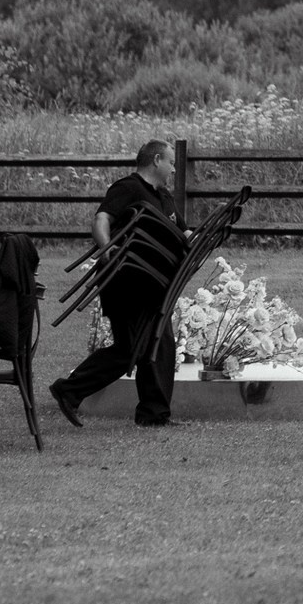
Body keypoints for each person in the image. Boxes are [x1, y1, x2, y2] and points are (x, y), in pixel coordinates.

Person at [50, 139, 182, 429]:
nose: (173, 168)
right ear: (156, 159)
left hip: (155, 284)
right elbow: (101, 219)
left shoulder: (164, 197)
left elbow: (181, 231)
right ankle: (70, 390)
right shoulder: (128, 188)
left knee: (156, 346)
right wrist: (106, 246)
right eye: (171, 162)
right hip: (126, 282)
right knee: (135, 348)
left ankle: (153, 414)